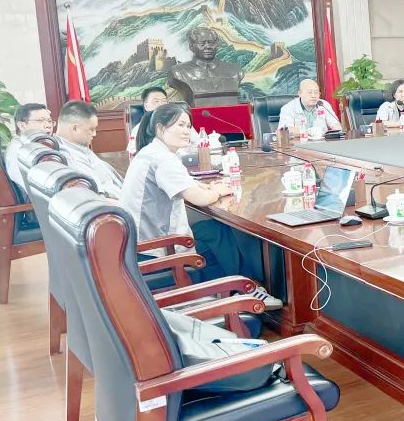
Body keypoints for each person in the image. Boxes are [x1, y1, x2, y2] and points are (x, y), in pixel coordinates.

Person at [122, 103, 280, 306]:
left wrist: (208, 187)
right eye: (180, 125)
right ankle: (244, 289)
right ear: (161, 129)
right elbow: (200, 199)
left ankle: (237, 289)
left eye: (188, 126)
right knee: (218, 234)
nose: (186, 131)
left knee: (213, 231)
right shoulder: (162, 159)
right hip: (155, 248)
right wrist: (218, 191)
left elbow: (186, 184)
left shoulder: (150, 152)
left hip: (138, 243)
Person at [55, 100, 124, 199]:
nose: (94, 134)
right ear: (75, 128)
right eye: (91, 129)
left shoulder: (77, 147)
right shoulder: (72, 158)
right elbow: (98, 199)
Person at [4, 103, 53, 190]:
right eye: (40, 121)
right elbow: (32, 189)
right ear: (22, 126)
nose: (48, 125)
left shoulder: (37, 146)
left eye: (49, 121)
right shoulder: (18, 152)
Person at [277, 78, 343, 135]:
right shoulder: (288, 108)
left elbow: (335, 125)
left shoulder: (323, 104)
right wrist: (308, 132)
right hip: (299, 143)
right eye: (310, 92)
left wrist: (338, 130)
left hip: (322, 142)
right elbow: (284, 130)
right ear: (300, 93)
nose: (313, 96)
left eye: (316, 92)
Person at [126, 86, 168, 154]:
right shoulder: (139, 128)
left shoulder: (179, 122)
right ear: (146, 106)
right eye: (156, 101)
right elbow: (132, 152)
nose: (161, 104)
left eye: (164, 101)